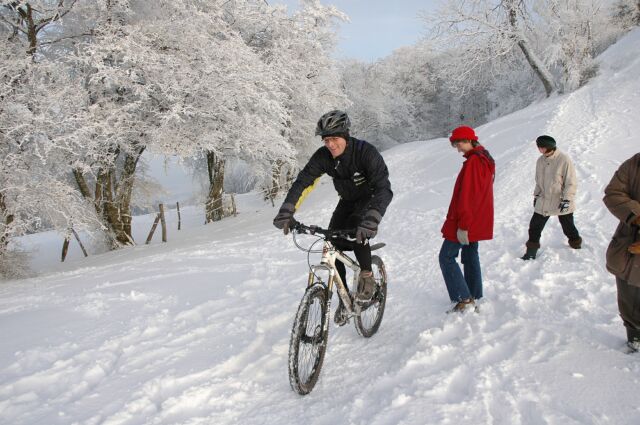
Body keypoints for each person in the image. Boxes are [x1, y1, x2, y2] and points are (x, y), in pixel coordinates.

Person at [273, 110, 393, 323]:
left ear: (345, 136)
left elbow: (384, 188)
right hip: (346, 201)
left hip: (369, 200)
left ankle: (367, 275)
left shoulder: (366, 152)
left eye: (334, 139)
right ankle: (344, 298)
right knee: (331, 244)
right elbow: (304, 182)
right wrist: (287, 210)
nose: (330, 144)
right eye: (326, 140)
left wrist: (372, 218)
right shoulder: (323, 157)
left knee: (358, 231)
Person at [439, 126, 495, 313]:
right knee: (470, 254)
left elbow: (468, 197)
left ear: (471, 140)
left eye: (460, 143)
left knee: (446, 257)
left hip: (466, 220)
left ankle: (464, 299)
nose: (458, 148)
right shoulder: (484, 159)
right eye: (456, 144)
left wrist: (463, 225)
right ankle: (474, 294)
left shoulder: (474, 163)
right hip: (475, 219)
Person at [521, 135, 582, 260]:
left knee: (568, 226)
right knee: (534, 226)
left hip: (560, 200)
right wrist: (536, 196)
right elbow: (538, 181)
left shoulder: (564, 160)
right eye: (538, 147)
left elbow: (571, 182)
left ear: (549, 147)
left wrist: (567, 199)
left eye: (542, 147)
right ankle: (531, 252)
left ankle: (576, 243)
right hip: (544, 200)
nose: (540, 150)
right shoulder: (540, 160)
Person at [603, 153, 640, 353]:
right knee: (629, 299)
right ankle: (635, 341)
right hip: (628, 249)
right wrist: (636, 216)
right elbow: (613, 193)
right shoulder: (634, 164)